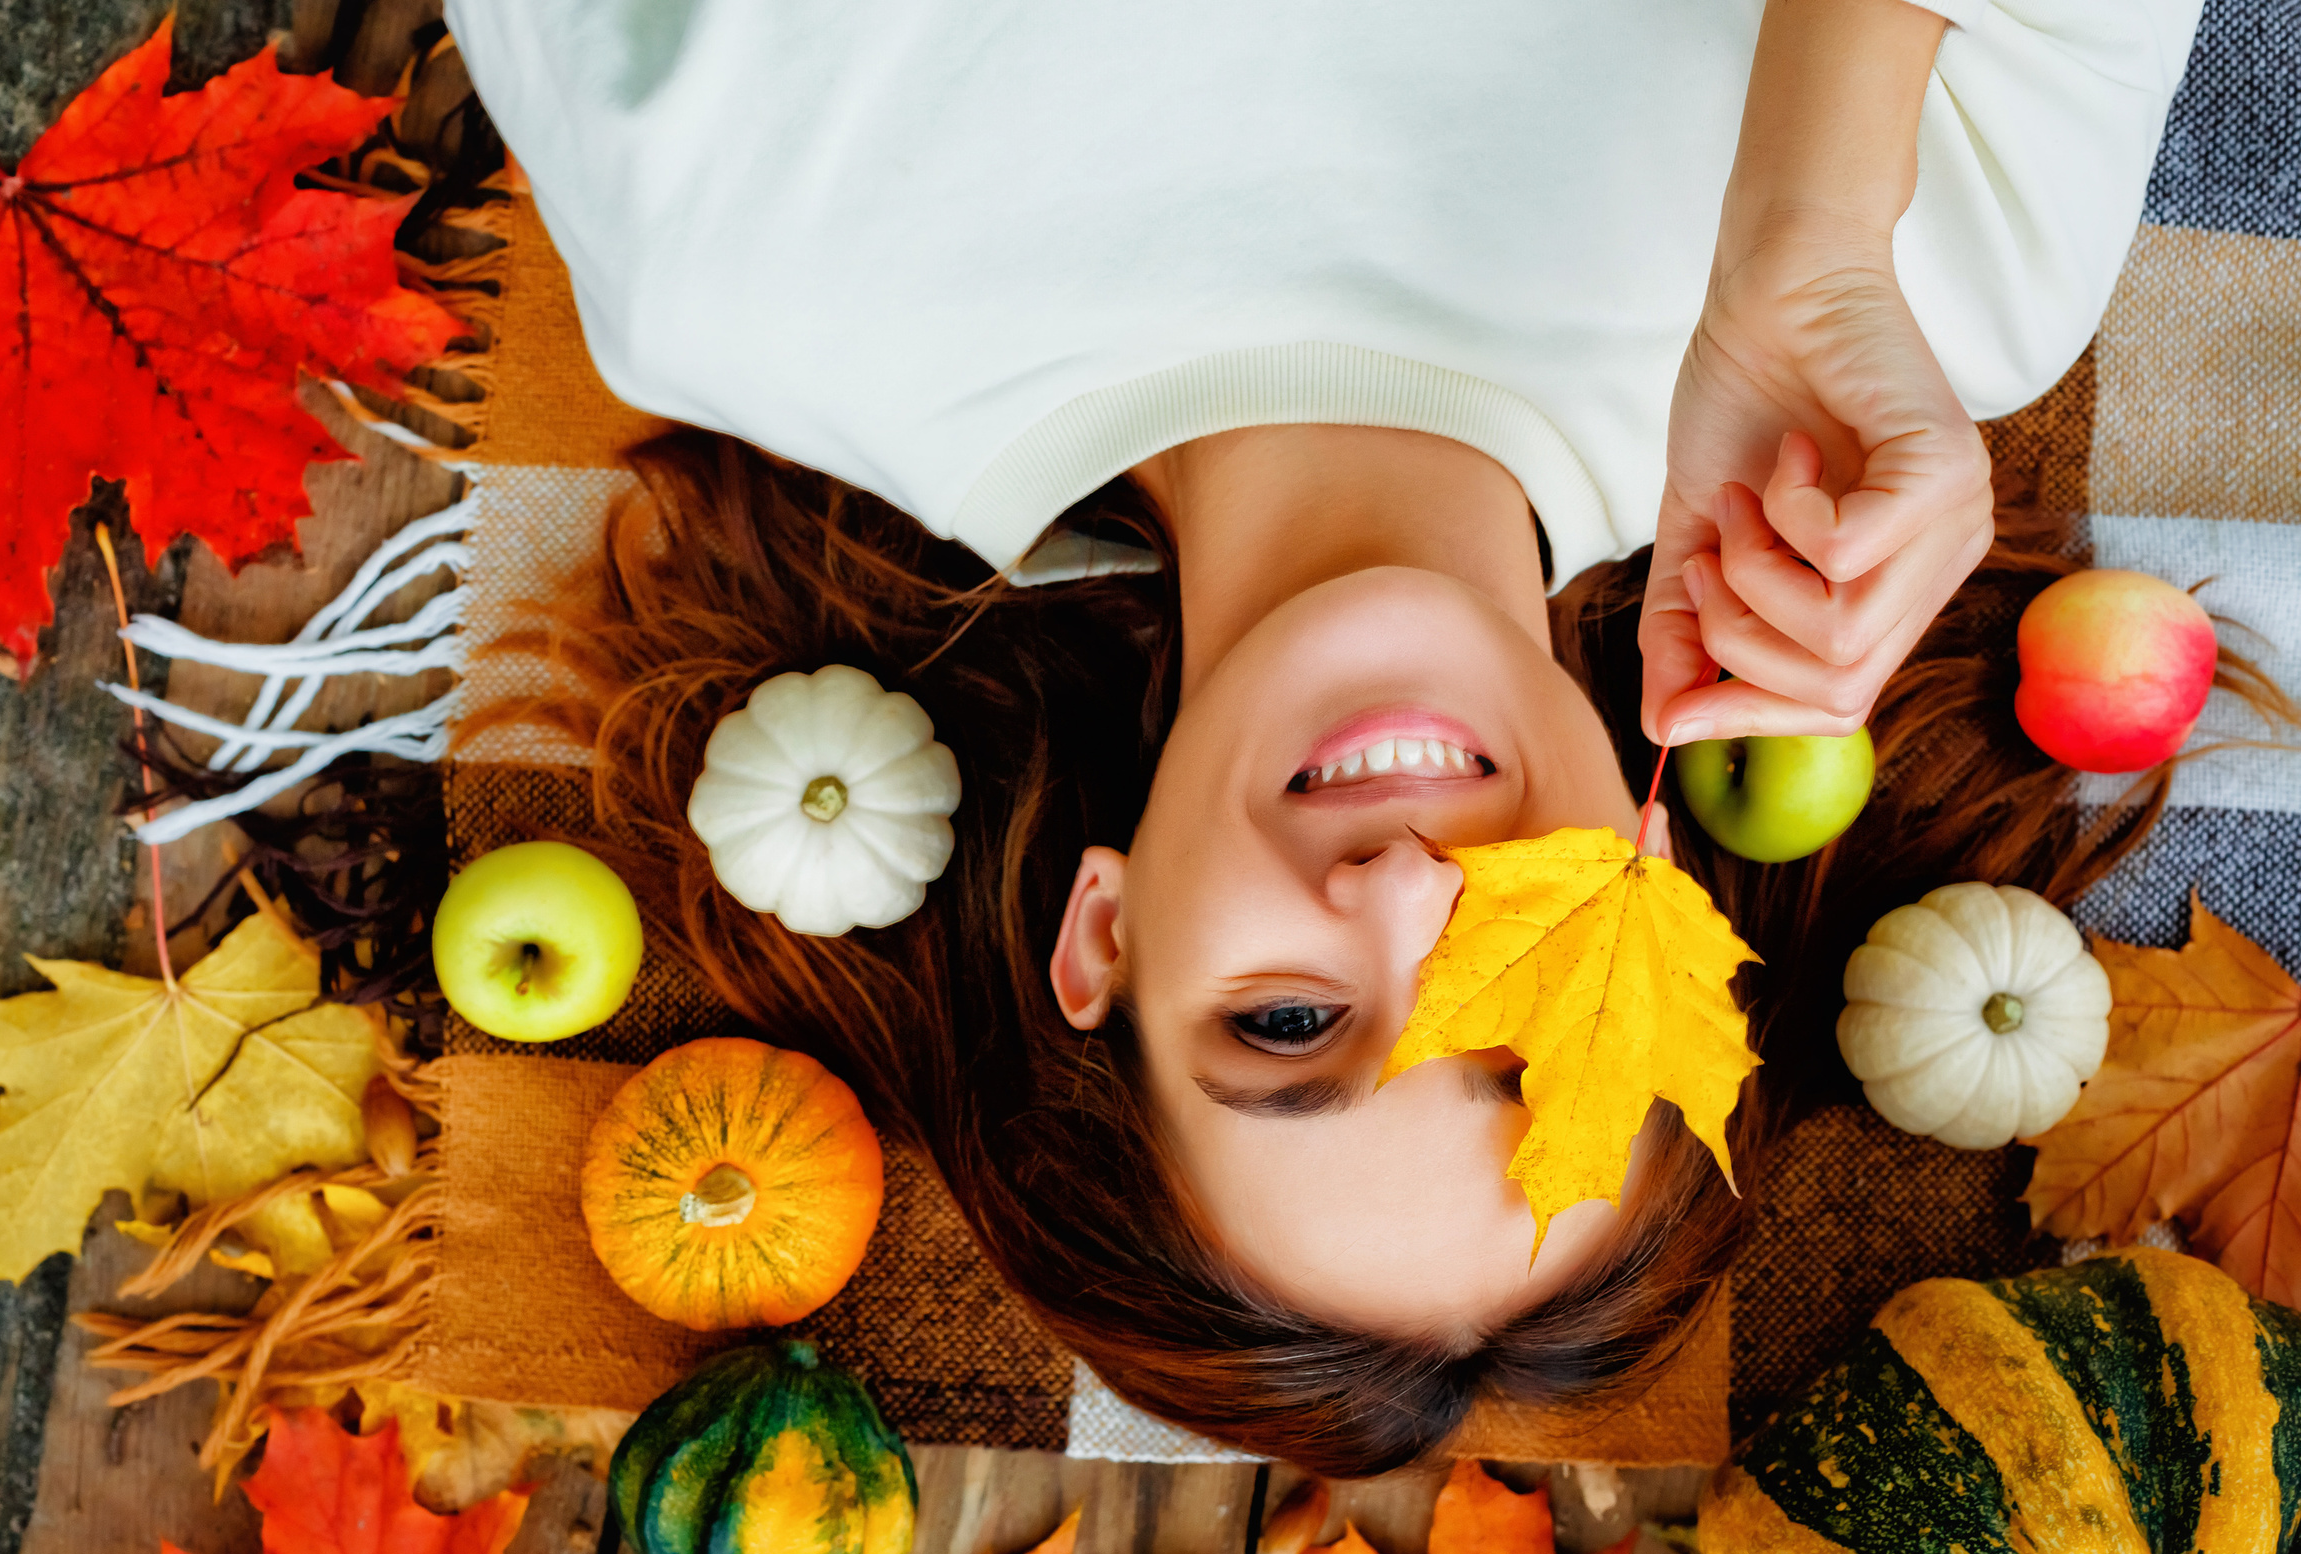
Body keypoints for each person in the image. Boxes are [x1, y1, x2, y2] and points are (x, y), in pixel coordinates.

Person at [445, 0, 2214, 1472]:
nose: (1401, 895)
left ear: (1104, 936)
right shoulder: (1936, 286)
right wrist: (1810, 227)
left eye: (1287, 1022)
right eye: (1518, 1011)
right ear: (1660, 894)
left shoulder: (736, 274)